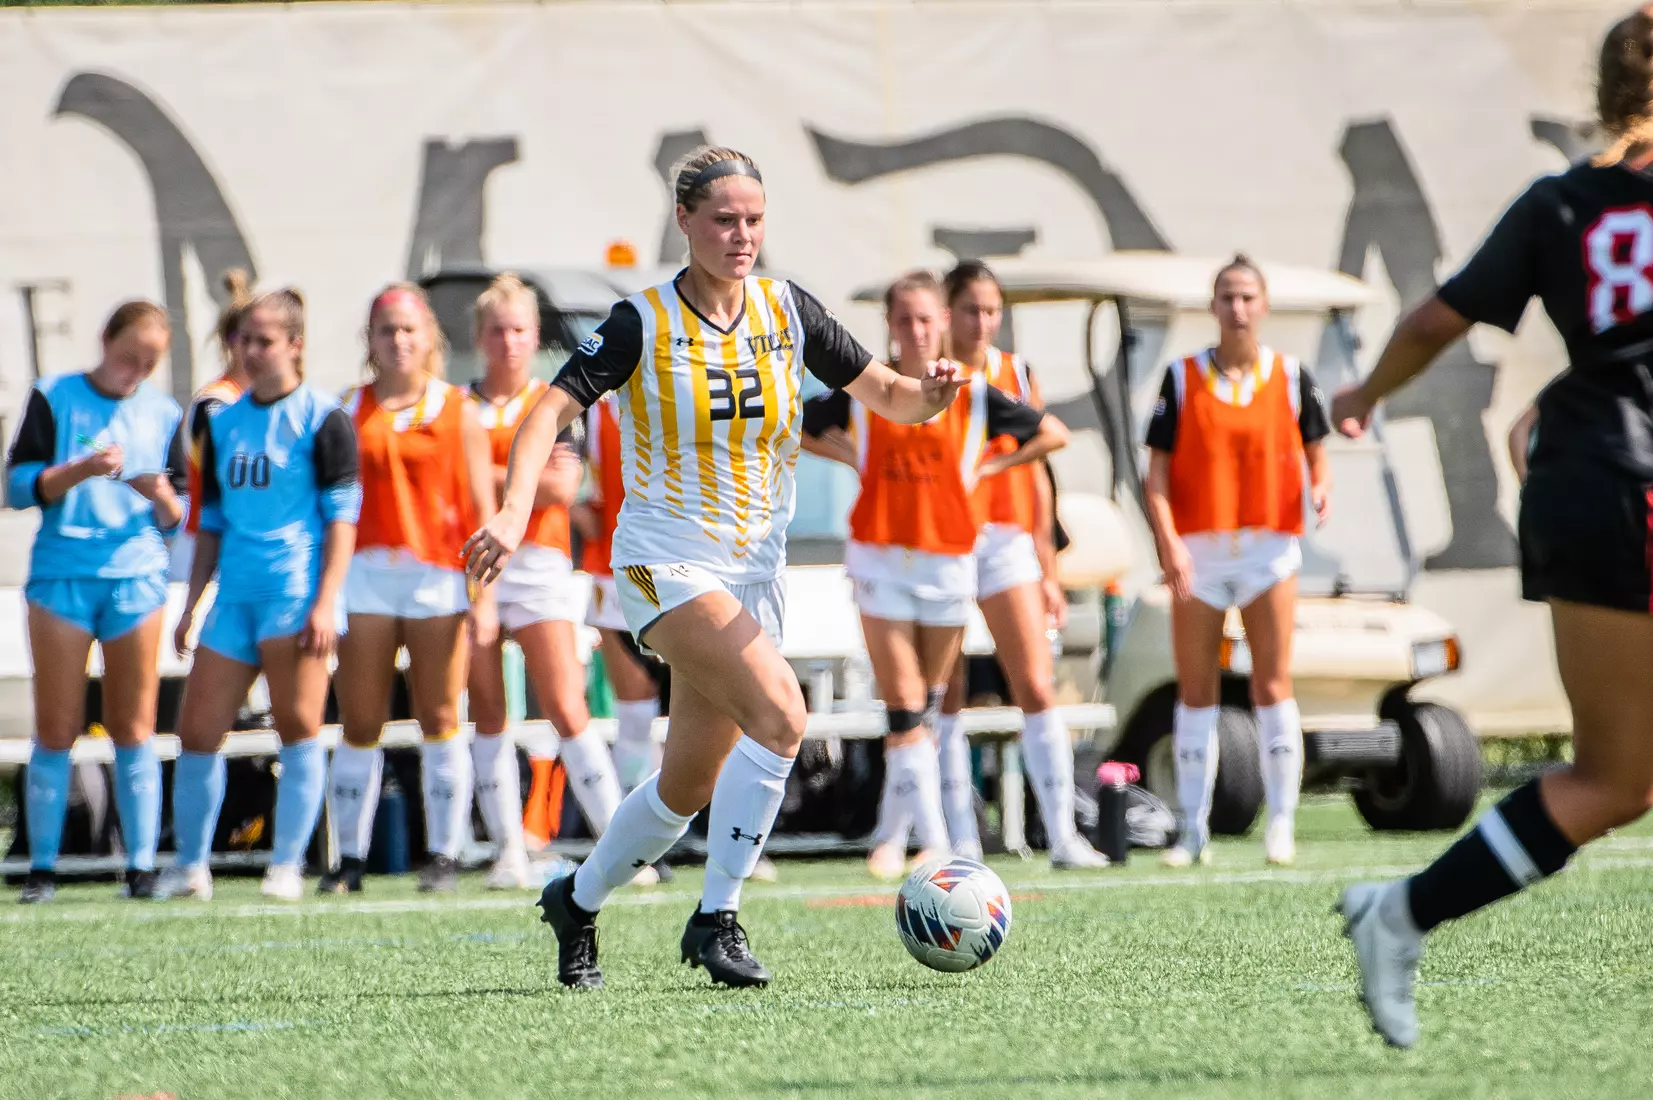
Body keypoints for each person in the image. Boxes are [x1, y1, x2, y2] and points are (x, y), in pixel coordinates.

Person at [463, 145, 965, 990]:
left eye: (754, 220)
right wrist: (514, 509)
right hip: (663, 563)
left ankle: (576, 900)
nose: (741, 235)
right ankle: (716, 918)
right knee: (782, 715)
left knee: (681, 790)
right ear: (685, 221)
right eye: (724, 219)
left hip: (750, 576)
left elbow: (889, 394)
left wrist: (933, 394)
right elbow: (551, 406)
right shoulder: (641, 320)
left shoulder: (785, 308)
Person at [1333, 5, 1653, 1048]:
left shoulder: (1560, 203)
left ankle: (1402, 910)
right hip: (1627, 487)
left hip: (1584, 477)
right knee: (1615, 779)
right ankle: (1404, 911)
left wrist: (1361, 394)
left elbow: (1437, 316)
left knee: (1616, 779)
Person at [800, 270, 1080, 879]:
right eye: (904, 320)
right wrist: (848, 454)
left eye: (926, 319)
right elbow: (798, 425)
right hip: (879, 557)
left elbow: (1050, 433)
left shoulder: (975, 392)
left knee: (931, 703)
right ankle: (942, 851)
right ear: (890, 326)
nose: (917, 330)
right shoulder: (867, 388)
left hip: (950, 558)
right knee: (903, 705)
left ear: (941, 324)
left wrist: (986, 465)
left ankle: (1030, 837)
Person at [158, 289, 360, 902]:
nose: (251, 351)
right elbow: (209, 522)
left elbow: (342, 520)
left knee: (297, 727)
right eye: (244, 339)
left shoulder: (324, 416)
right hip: (235, 597)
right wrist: (192, 604)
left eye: (265, 340)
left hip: (293, 592)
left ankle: (286, 867)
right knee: (197, 730)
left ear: (295, 345)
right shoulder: (221, 422)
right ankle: (191, 867)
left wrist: (327, 602)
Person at [1142, 254, 1331, 869]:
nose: (1238, 308)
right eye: (1227, 296)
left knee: (1272, 685)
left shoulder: (1291, 375)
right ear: (1212, 306)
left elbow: (1315, 446)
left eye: (1248, 296)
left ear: (1265, 305)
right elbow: (1157, 476)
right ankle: (1191, 831)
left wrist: (1321, 484)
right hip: (1199, 548)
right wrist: (1168, 542)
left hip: (1268, 548)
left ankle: (1281, 826)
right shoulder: (1181, 376)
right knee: (1197, 691)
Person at [929, 260, 1107, 869]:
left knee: (1034, 684)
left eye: (992, 310)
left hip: (1006, 541)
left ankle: (1062, 834)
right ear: (946, 312)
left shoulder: (1017, 374)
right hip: (943, 540)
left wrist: (1048, 569)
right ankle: (959, 839)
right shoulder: (929, 376)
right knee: (944, 692)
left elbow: (1038, 474)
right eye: (971, 309)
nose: (982, 322)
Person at [322, 284, 498, 895]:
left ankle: (445, 856)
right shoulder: (346, 407)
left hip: (437, 576)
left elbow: (483, 508)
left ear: (429, 339)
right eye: (385, 330)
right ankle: (349, 861)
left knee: (441, 715)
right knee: (360, 719)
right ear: (368, 341)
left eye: (408, 330)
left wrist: (486, 598)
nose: (397, 341)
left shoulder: (458, 408)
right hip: (366, 576)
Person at [7, 300, 184, 902]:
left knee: (134, 725)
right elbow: (17, 486)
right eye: (129, 354)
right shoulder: (54, 396)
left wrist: (156, 489)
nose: (136, 369)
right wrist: (81, 469)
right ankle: (42, 869)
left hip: (136, 576)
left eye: (150, 360)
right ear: (105, 339)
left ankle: (140, 866)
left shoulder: (164, 412)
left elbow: (178, 511)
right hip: (63, 577)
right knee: (57, 727)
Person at [465, 274, 625, 890]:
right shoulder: (460, 405)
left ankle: (621, 846)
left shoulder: (555, 400)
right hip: (478, 561)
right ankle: (508, 848)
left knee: (566, 706)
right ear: (480, 337)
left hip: (540, 562)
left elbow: (561, 486)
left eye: (520, 330)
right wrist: (509, 473)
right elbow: (462, 486)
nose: (509, 341)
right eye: (498, 330)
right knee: (487, 711)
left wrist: (482, 466)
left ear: (536, 338)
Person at [573, 391, 663, 799]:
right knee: (634, 711)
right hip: (616, 576)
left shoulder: (686, 388)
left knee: (706, 709)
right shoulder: (593, 409)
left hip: (691, 570)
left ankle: (720, 827)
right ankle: (643, 830)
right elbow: (570, 491)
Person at [171, 269, 253, 585]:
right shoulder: (216, 403)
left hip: (247, 548)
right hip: (207, 549)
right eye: (245, 339)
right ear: (230, 343)